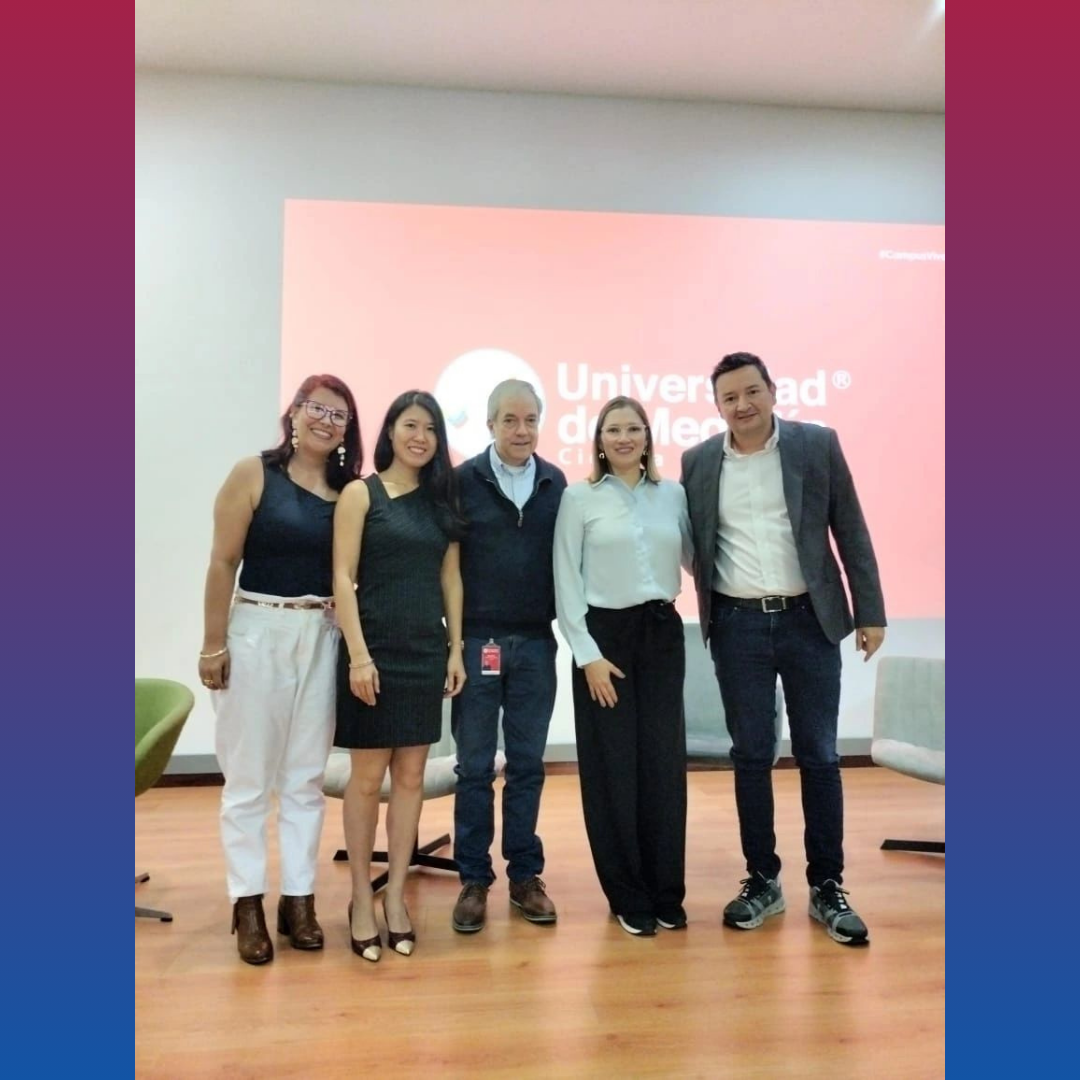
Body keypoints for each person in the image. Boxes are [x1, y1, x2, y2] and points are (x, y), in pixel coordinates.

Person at [680, 351, 886, 947]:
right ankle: (762, 880)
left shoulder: (816, 446)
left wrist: (870, 611)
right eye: (729, 397)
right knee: (750, 755)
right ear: (717, 406)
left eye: (752, 392)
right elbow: (694, 542)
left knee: (819, 754)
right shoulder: (698, 462)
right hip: (737, 625)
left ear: (772, 390)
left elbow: (850, 528)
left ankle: (828, 884)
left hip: (808, 621)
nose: (742, 405)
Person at [199, 375, 363, 965]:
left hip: (320, 635)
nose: (326, 420)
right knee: (248, 781)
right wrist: (213, 644)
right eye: (316, 408)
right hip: (255, 631)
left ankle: (299, 901)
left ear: (348, 430)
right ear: (294, 412)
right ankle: (247, 904)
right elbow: (223, 562)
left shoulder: (349, 492)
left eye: (339, 415)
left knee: (304, 780)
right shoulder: (253, 474)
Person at [333, 390, 467, 962]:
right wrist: (358, 656)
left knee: (410, 778)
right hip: (373, 651)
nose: (421, 437)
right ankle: (361, 898)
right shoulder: (360, 494)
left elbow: (451, 580)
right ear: (390, 431)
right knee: (367, 780)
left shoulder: (441, 503)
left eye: (431, 429)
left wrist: (456, 650)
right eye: (411, 425)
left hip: (424, 653)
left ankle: (395, 898)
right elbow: (342, 577)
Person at [553, 396, 693, 937]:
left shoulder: (673, 495)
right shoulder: (578, 498)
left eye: (633, 429)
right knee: (612, 768)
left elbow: (695, 558)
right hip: (603, 640)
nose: (624, 438)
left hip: (661, 634)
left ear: (648, 437)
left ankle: (665, 891)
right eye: (613, 430)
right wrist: (586, 655)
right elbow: (566, 579)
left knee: (662, 765)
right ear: (599, 440)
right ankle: (627, 893)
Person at [449, 380, 568, 934]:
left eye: (530, 420)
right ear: (491, 425)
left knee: (526, 766)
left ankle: (525, 875)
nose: (522, 431)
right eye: (510, 420)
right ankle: (474, 879)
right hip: (479, 644)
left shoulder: (555, 482)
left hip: (536, 645)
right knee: (474, 768)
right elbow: (448, 565)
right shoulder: (462, 482)